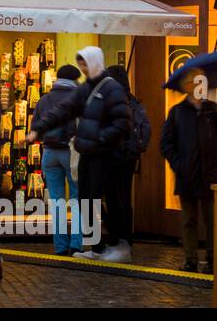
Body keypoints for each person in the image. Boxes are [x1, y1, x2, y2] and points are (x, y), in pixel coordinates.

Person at [28, 46, 131, 262]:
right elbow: (64, 109)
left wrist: (101, 139)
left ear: (95, 62)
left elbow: (122, 122)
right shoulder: (86, 89)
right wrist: (40, 128)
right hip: (86, 153)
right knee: (85, 200)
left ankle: (113, 245)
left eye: (85, 63)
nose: (83, 68)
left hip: (104, 154)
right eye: (81, 63)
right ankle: (95, 246)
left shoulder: (111, 88)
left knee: (98, 199)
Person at [159, 71, 217, 273]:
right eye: (192, 82)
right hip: (187, 174)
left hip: (211, 175)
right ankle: (190, 259)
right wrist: (178, 164)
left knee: (212, 220)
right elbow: (166, 143)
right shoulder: (178, 112)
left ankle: (213, 258)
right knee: (189, 220)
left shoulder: (213, 110)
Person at [31, 64, 82, 256]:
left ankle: (60, 246)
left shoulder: (44, 100)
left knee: (57, 200)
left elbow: (35, 127)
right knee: (76, 198)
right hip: (72, 152)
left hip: (49, 153)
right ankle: (76, 244)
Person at [105, 64, 142, 259]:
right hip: (130, 157)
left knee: (112, 197)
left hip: (114, 156)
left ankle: (117, 237)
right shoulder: (134, 102)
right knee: (125, 198)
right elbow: (146, 129)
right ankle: (126, 238)